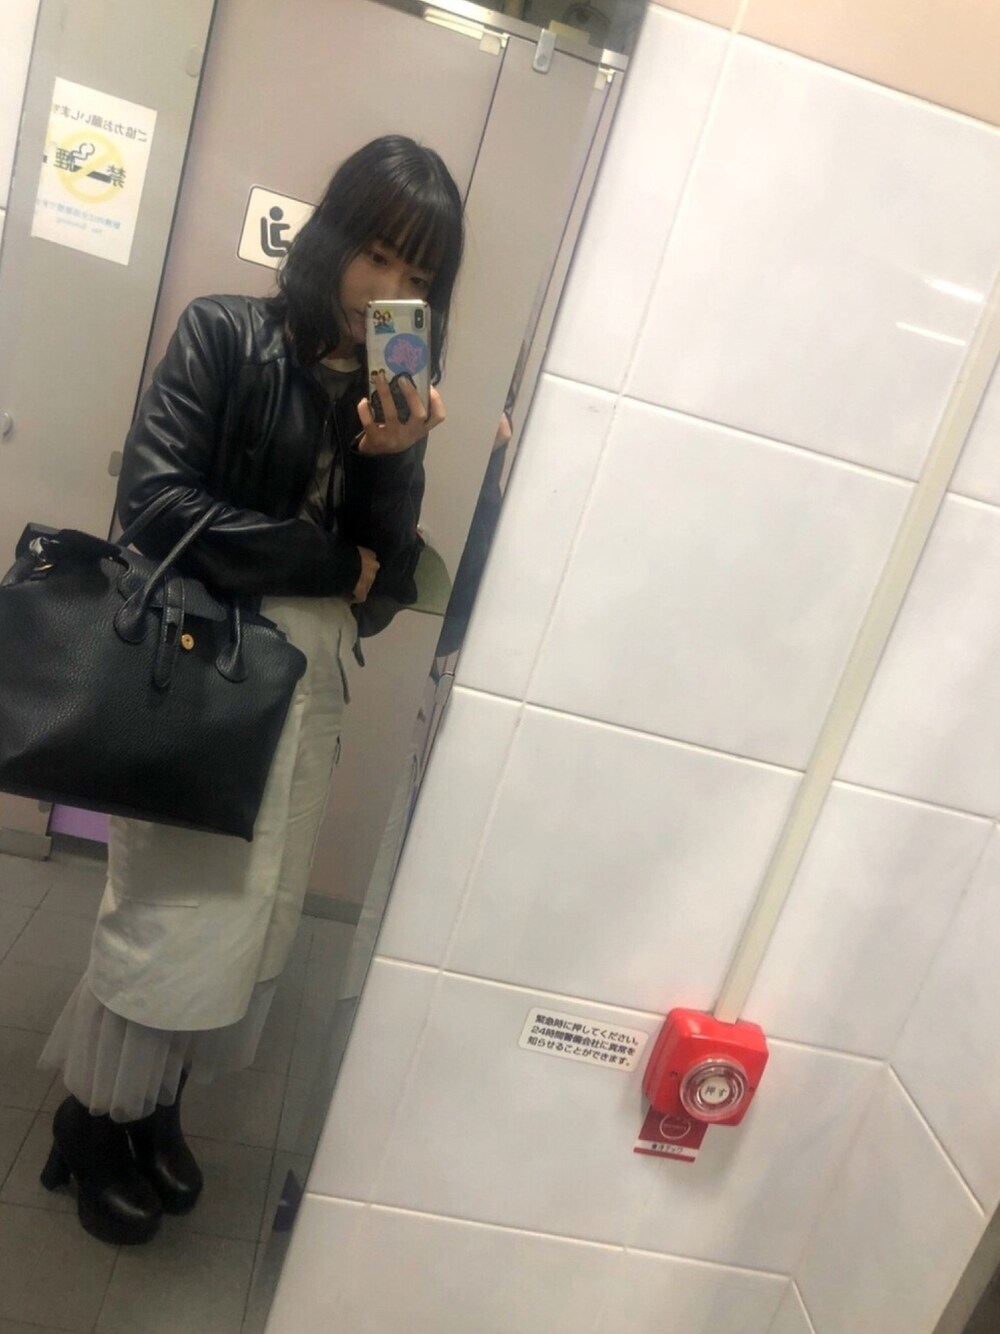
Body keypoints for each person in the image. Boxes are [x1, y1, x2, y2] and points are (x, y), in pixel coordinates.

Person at [36, 135, 464, 1246]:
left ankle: (151, 1108)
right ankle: (91, 1125)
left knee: (250, 928)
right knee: (168, 921)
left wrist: (395, 458)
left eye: (416, 274)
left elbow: (381, 580)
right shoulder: (225, 333)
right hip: (199, 676)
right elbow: (156, 504)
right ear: (333, 237)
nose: (386, 287)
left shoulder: (388, 394)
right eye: (376, 253)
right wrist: (322, 560)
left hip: (309, 688)